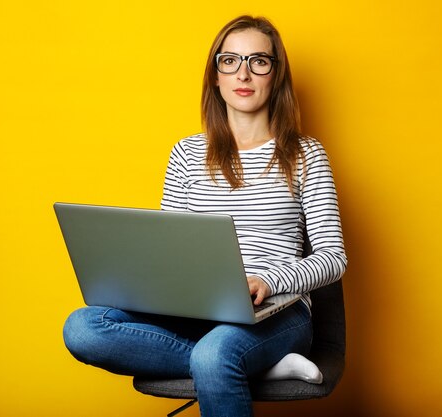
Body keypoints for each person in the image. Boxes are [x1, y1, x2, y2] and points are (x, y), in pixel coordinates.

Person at [63, 15, 347, 417]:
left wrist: (269, 280)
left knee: (216, 355)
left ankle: (235, 360)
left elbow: (334, 258)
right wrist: (147, 282)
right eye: (229, 61)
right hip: (199, 314)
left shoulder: (305, 155)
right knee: (83, 328)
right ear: (215, 76)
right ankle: (260, 369)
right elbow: (170, 250)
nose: (243, 73)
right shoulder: (186, 154)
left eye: (258, 61)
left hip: (278, 312)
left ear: (276, 74)